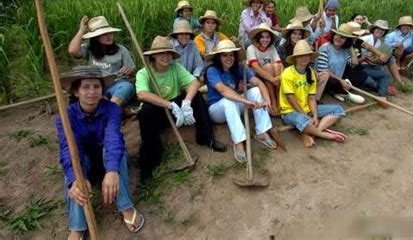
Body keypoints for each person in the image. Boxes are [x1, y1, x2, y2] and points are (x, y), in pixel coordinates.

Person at [56, 65, 144, 240]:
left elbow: (113, 139)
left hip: (106, 158)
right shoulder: (65, 117)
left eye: (96, 86)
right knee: (72, 168)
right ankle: (78, 226)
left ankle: (125, 205)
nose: (92, 92)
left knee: (115, 152)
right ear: (76, 92)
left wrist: (111, 171)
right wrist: (75, 179)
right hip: (85, 161)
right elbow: (68, 149)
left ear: (102, 89)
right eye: (86, 87)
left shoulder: (112, 109)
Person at [135, 36, 227, 182]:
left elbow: (194, 83)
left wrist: (186, 102)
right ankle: (151, 161)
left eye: (168, 53)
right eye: (161, 53)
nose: (165, 57)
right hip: (160, 110)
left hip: (178, 107)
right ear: (153, 55)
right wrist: (168, 105)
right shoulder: (144, 73)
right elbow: (142, 94)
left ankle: (206, 138)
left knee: (197, 97)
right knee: (145, 111)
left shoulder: (175, 68)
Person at [205, 40, 277, 163]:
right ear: (219, 57)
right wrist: (245, 101)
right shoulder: (212, 70)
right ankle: (238, 141)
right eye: (225, 55)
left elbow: (259, 82)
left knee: (255, 91)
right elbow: (223, 90)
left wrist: (267, 100)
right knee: (228, 101)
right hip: (217, 110)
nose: (229, 58)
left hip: (234, 105)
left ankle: (262, 131)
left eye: (231, 55)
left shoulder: (238, 69)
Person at [280, 40, 347, 147]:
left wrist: (315, 115)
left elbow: (312, 98)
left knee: (338, 109)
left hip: (307, 109)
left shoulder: (310, 72)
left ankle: (311, 132)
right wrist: (304, 114)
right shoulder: (287, 73)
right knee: (303, 120)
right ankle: (325, 135)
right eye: (301, 55)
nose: (304, 58)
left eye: (307, 55)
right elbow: (290, 98)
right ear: (295, 58)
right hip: (290, 111)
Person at [68, 16, 136, 107]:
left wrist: (129, 71)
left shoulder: (121, 50)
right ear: (96, 37)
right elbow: (73, 51)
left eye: (110, 33)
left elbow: (131, 71)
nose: (109, 36)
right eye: (104, 34)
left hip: (116, 84)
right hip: (95, 85)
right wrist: (81, 30)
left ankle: (110, 109)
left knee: (127, 87)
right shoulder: (89, 49)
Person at [316, 23, 367, 103]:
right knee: (333, 81)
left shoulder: (345, 50)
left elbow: (354, 63)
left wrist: (350, 48)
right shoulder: (325, 48)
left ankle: (339, 90)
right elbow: (323, 70)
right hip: (324, 78)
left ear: (347, 40)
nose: (338, 38)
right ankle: (340, 91)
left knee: (362, 75)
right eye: (337, 35)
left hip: (338, 77)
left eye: (343, 38)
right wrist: (341, 80)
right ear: (333, 36)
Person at [246, 23, 283, 116]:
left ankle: (278, 98)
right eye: (262, 37)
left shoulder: (271, 48)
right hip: (258, 76)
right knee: (268, 66)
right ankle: (273, 100)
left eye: (268, 37)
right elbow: (255, 68)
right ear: (258, 38)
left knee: (276, 66)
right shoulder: (251, 48)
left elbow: (280, 64)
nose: (265, 39)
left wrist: (278, 77)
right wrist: (273, 79)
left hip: (273, 77)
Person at [358, 20, 399, 104]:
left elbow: (375, 59)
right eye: (378, 29)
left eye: (382, 30)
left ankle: (382, 93)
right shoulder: (364, 39)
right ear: (373, 29)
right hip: (360, 66)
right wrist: (369, 59)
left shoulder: (380, 42)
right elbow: (358, 57)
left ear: (384, 32)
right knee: (382, 77)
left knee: (382, 73)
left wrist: (377, 60)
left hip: (370, 66)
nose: (380, 31)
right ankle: (383, 94)